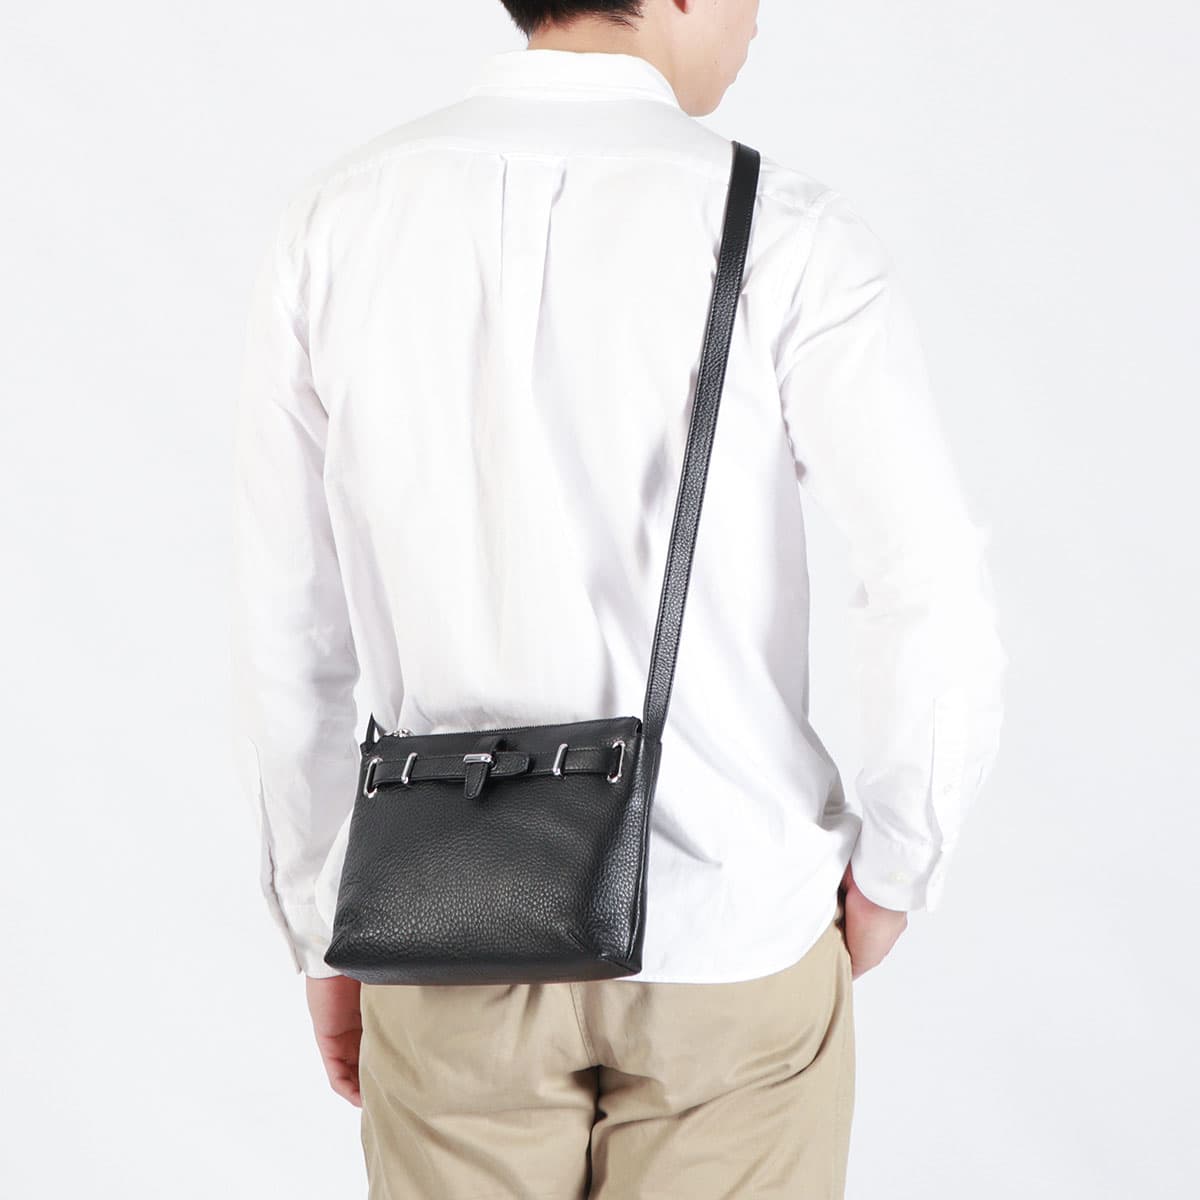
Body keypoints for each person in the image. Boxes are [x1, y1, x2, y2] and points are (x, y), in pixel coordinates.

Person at [230, 1, 1007, 1195]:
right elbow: (927, 579)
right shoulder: (787, 231)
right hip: (733, 939)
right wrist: (900, 864)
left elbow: (290, 622)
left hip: (444, 933)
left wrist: (317, 915)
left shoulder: (337, 221)